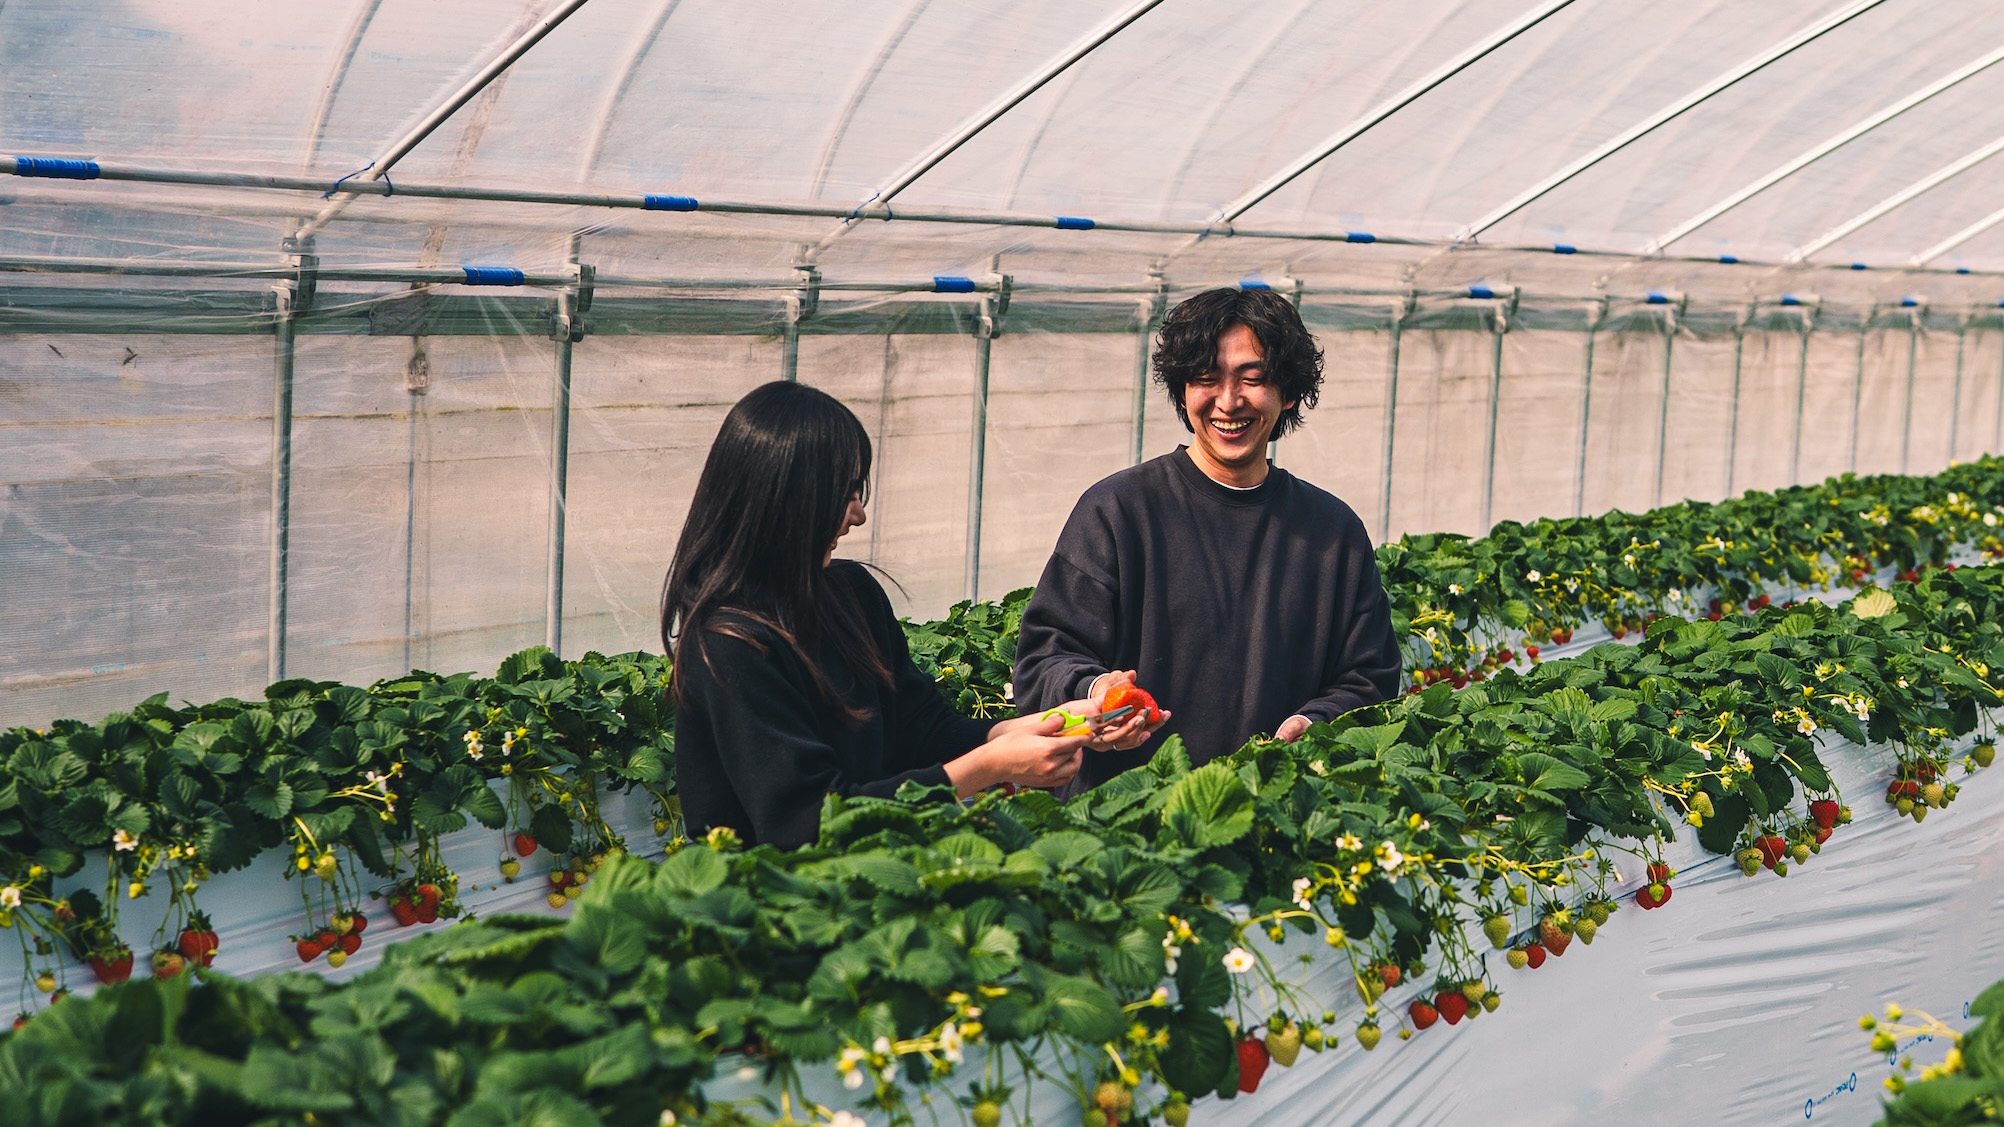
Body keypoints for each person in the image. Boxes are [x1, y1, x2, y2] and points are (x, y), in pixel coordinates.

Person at [662, 381, 1097, 849]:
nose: (858, 514)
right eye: (844, 493)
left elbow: (922, 730)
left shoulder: (850, 594)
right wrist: (990, 766)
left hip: (867, 878)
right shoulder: (728, 645)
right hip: (776, 904)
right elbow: (806, 822)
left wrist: (1036, 726)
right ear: (787, 499)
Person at [1012, 287, 1403, 790]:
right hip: (1126, 825)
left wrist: (1320, 720)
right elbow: (1044, 658)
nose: (1228, 402)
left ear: (1287, 393)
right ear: (1181, 391)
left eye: (1253, 379)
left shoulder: (1331, 532)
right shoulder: (1118, 511)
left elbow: (1368, 676)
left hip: (1276, 816)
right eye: (1205, 378)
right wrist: (1096, 691)